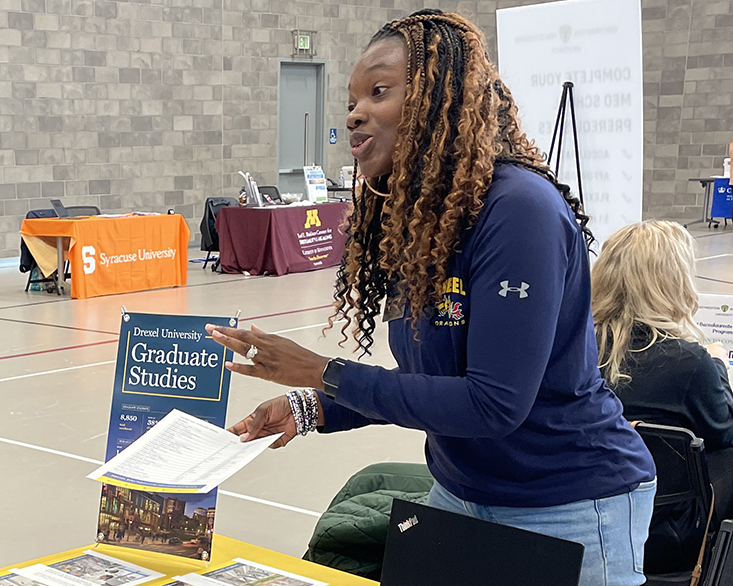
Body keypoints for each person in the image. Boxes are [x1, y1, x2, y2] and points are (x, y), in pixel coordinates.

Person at [205, 10, 655, 586]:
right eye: (351, 99)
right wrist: (313, 406)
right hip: (460, 493)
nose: (355, 113)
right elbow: (431, 378)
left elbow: (494, 404)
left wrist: (325, 373)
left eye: (379, 92)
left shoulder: (520, 211)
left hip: (566, 503)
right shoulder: (417, 219)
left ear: (440, 98)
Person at [592, 220, 733, 572]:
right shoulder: (687, 362)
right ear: (672, 282)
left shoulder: (572, 353)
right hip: (664, 536)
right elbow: (724, 430)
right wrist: (717, 365)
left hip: (583, 518)